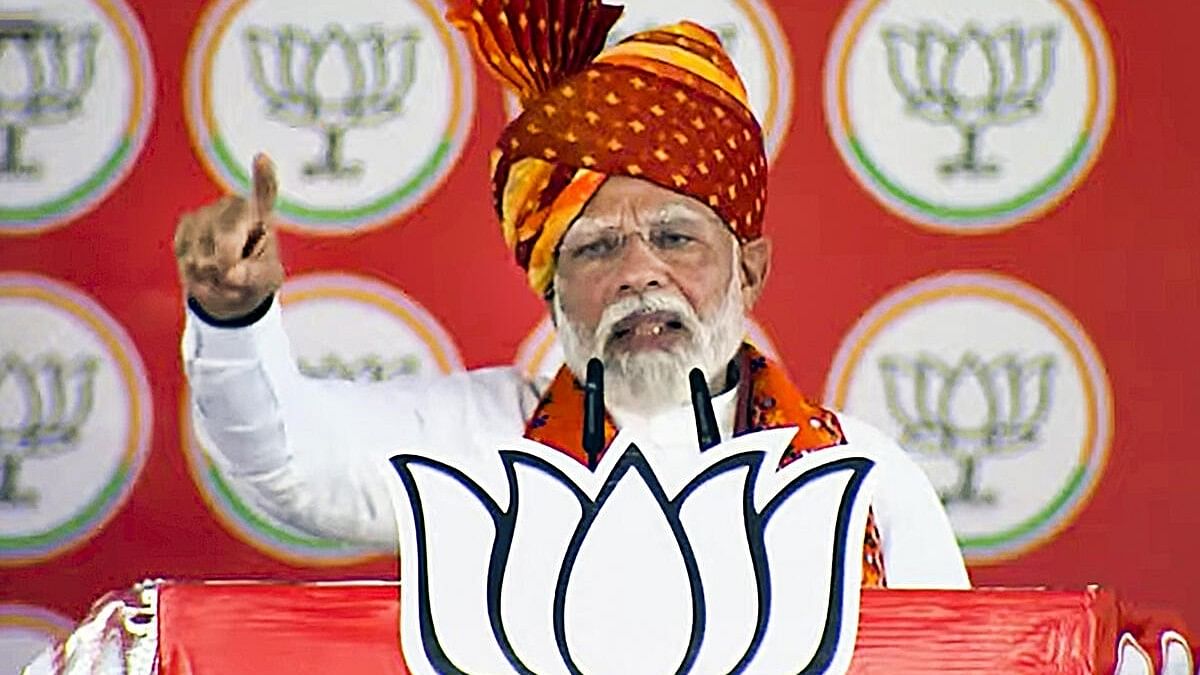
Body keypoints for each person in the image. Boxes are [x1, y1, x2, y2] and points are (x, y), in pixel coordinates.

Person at [173, 0, 969, 590]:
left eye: (675, 237)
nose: (638, 273)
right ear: (552, 294)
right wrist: (233, 318)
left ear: (749, 270)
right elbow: (286, 455)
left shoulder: (861, 478)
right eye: (594, 247)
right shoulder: (480, 448)